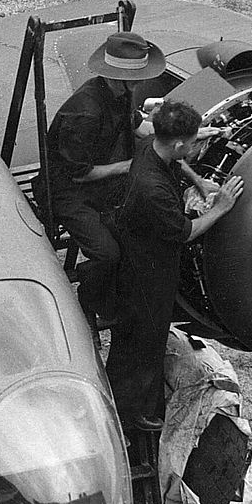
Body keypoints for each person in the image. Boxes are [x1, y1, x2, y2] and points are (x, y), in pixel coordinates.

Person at [106, 102, 243, 432]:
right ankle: (132, 414)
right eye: (193, 142)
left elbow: (178, 162)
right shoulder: (153, 191)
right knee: (146, 338)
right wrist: (221, 207)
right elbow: (186, 232)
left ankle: (121, 395)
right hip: (148, 272)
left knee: (133, 336)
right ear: (179, 142)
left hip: (137, 255)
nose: (194, 147)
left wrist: (198, 181)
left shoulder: (150, 146)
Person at [45, 32, 163, 326]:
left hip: (99, 180)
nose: (139, 83)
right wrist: (127, 166)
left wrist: (177, 132)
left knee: (141, 229)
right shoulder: (86, 112)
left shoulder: (120, 93)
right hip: (67, 190)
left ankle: (118, 296)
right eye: (134, 78)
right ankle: (90, 297)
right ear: (116, 76)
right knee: (107, 253)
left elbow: (139, 127)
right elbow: (79, 174)